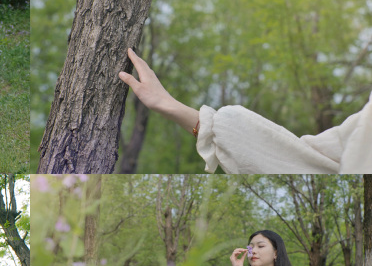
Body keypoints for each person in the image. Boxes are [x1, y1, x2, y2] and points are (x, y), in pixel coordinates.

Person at [118, 48, 372, 174]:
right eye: (254, 245)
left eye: (258, 246)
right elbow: (295, 158)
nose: (252, 251)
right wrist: (167, 105)